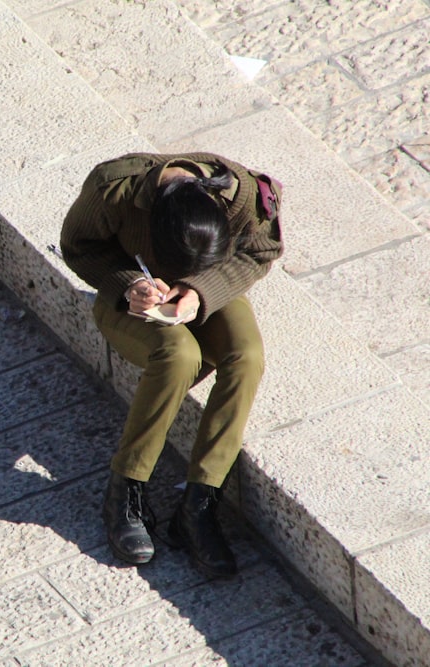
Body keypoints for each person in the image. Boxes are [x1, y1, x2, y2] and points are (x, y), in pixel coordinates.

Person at [60, 152, 283, 578]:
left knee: (247, 356)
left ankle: (199, 504)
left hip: (210, 288)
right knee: (180, 355)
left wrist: (200, 289)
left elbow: (262, 249)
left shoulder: (243, 195)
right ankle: (125, 489)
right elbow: (78, 248)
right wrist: (131, 286)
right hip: (129, 297)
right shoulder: (114, 190)